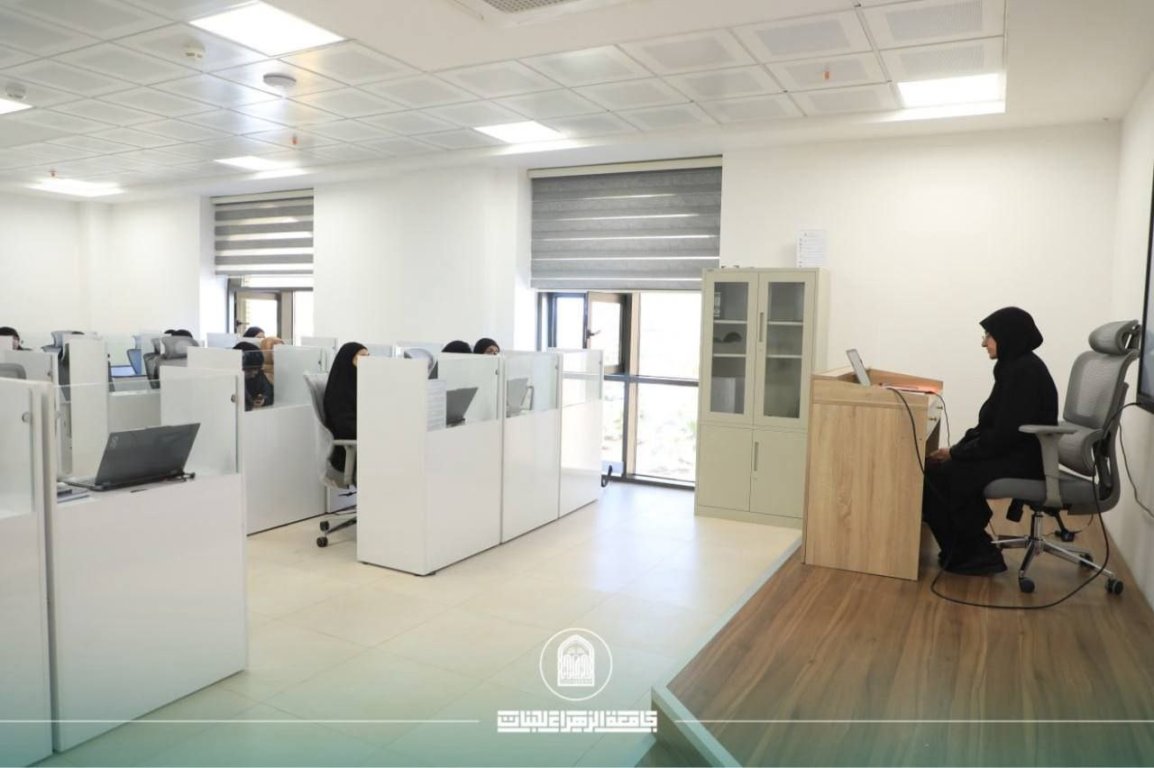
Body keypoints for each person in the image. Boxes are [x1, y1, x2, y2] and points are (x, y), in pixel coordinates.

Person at [922, 307, 1058, 575]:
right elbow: (993, 428)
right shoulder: (1015, 367)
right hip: (1013, 453)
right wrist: (958, 450)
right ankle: (967, 549)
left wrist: (957, 454)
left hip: (1021, 460)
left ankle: (976, 555)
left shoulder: (1024, 372)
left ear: (1008, 336)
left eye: (989, 336)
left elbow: (1002, 436)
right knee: (939, 470)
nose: (984, 343)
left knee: (942, 475)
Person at [324, 342, 367, 474]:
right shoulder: (339, 391)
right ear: (348, 361)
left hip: (363, 447)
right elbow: (347, 428)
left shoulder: (357, 386)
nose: (367, 362)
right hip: (349, 453)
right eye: (362, 357)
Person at [234, 342, 273, 410]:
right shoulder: (232, 378)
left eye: (257, 369)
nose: (255, 373)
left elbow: (270, 393)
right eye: (250, 370)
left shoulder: (258, 374)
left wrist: (264, 400)